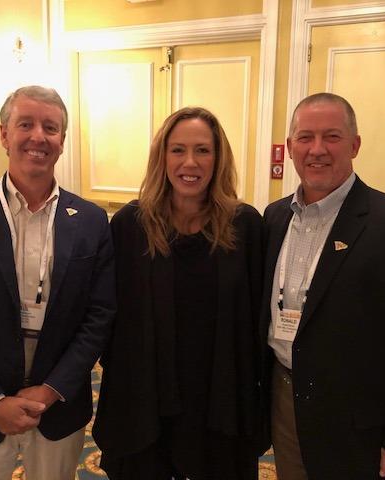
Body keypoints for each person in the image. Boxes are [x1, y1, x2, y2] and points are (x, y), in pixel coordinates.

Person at [262, 92, 385, 480]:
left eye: (331, 137)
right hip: (285, 399)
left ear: (355, 145)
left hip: (361, 422)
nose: (317, 149)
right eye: (305, 137)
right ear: (291, 146)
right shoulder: (274, 217)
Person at [0, 85, 115, 480]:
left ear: (62, 141)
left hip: (58, 405)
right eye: (25, 124)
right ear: (3, 134)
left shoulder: (91, 220)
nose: (38, 137)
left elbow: (99, 317)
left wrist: (50, 390)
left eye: (50, 128)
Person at [93, 106, 265, 479]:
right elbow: (108, 313)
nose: (191, 162)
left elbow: (257, 321)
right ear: (162, 157)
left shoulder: (245, 226)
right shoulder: (130, 225)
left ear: (218, 158)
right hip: (144, 396)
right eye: (178, 150)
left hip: (218, 398)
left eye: (203, 150)